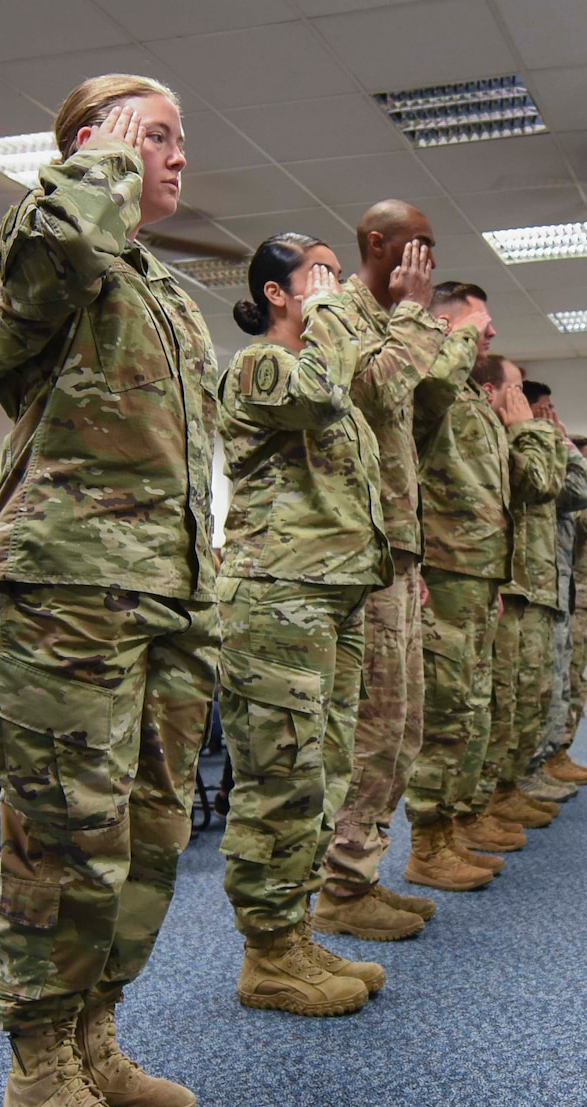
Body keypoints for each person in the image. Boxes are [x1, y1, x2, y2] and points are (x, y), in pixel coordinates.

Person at [0, 75, 217, 1107]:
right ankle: (36, 1076)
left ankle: (93, 1037)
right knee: (65, 839)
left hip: (163, 592)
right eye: (155, 136)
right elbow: (6, 327)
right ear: (90, 144)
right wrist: (95, 168)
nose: (177, 157)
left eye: (175, 139)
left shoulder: (167, 288)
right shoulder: (43, 237)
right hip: (67, 587)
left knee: (149, 840)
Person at [215, 234, 406, 1008]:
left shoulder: (325, 366)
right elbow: (319, 393)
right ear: (276, 295)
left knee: (324, 774)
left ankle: (292, 934)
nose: (333, 287)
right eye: (317, 275)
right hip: (276, 593)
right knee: (279, 780)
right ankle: (266, 954)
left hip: (334, 592)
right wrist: (334, 311)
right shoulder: (259, 364)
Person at [400, 285, 554, 888]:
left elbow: (524, 491)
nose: (487, 334)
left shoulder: (471, 404)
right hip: (444, 572)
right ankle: (427, 843)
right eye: (476, 322)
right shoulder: (430, 388)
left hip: (480, 574)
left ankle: (453, 828)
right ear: (444, 323)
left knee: (469, 711)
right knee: (445, 713)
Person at [322, 201, 449, 916]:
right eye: (418, 244)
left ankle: (363, 873)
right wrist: (413, 313)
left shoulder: (390, 322)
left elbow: (410, 439)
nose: (428, 259)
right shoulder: (336, 314)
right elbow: (369, 391)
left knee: (404, 727)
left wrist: (418, 554)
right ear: (377, 242)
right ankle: (341, 885)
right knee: (373, 725)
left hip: (398, 550)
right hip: (360, 554)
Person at [474, 355, 570, 830]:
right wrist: (534, 432)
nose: (523, 403)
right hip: (500, 584)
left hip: (523, 584)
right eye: (515, 390)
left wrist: (548, 436)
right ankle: (480, 804)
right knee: (491, 703)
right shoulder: (484, 434)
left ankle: (507, 788)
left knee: (522, 697)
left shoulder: (507, 437)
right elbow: (538, 481)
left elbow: (566, 490)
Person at [524, 430, 587, 802]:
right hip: (546, 590)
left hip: (569, 590)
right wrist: (575, 461)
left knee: (569, 683)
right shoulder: (550, 472)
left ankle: (556, 753)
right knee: (544, 685)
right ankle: (541, 761)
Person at [544, 436, 587, 785]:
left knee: (575, 680)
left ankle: (560, 752)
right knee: (566, 680)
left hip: (583, 594)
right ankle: (553, 754)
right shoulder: (574, 488)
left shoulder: (584, 487)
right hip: (570, 595)